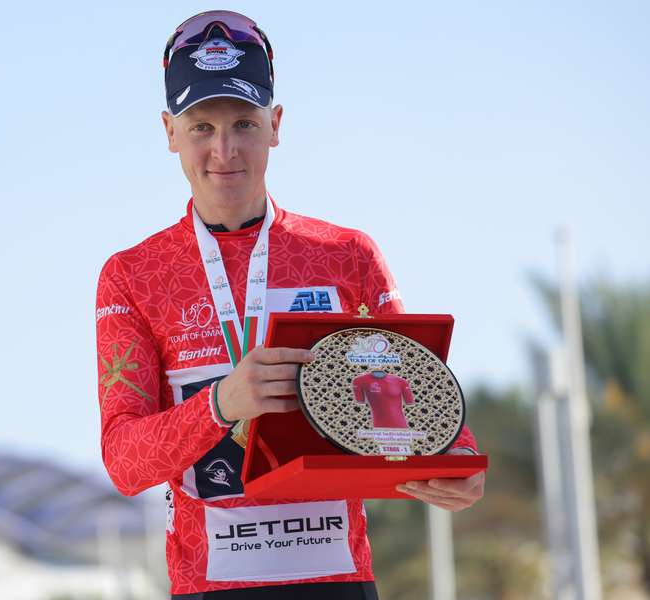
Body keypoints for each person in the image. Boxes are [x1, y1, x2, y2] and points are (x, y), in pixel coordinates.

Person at [95, 10, 485, 599]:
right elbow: (124, 462)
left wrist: (458, 460)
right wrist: (222, 403)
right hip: (210, 586)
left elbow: (419, 396)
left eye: (244, 124)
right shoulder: (132, 276)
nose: (224, 150)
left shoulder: (347, 255)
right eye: (202, 127)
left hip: (338, 580)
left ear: (275, 125)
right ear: (169, 132)